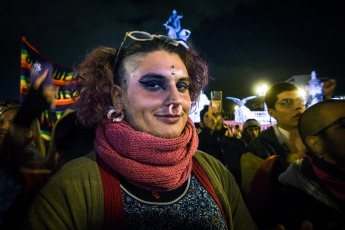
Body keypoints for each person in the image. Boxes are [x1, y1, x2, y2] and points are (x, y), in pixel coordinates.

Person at [23, 31, 256, 229]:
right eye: (154, 84)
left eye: (182, 86)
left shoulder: (214, 172)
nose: (176, 100)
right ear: (118, 96)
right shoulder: (73, 186)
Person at [269, 99, 345, 229]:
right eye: (343, 124)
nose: (296, 107)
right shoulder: (294, 196)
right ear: (316, 144)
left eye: (300, 101)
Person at [198, 104, 246, 187]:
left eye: (217, 115)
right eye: (207, 116)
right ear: (201, 124)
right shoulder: (198, 145)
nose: (214, 119)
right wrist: (210, 129)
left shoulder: (237, 144)